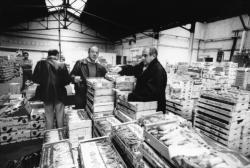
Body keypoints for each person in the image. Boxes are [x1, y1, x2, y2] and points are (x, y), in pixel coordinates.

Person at [112, 47, 167, 113]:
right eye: (142, 55)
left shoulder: (158, 70)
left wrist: (129, 96)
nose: (143, 58)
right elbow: (133, 69)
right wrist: (121, 69)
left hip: (154, 109)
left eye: (145, 55)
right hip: (143, 105)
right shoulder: (144, 65)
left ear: (153, 56)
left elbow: (150, 93)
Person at [32, 49, 71, 129]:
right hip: (59, 94)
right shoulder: (62, 65)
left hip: (46, 94)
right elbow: (67, 81)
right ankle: (61, 136)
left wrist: (44, 82)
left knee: (49, 117)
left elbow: (34, 79)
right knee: (60, 116)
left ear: (48, 55)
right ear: (57, 55)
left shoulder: (40, 64)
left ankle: (50, 137)